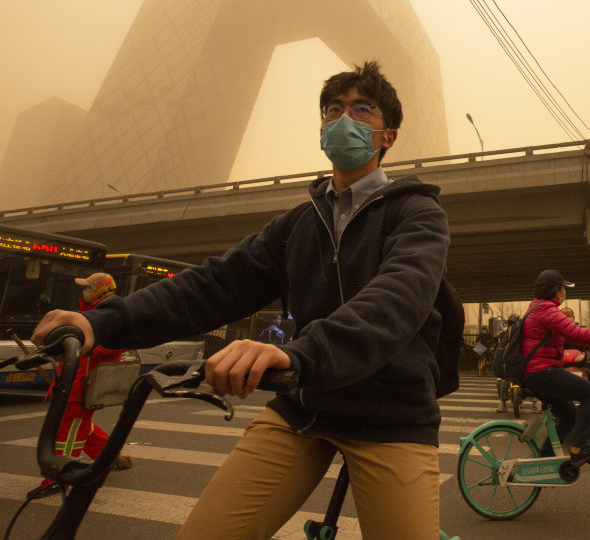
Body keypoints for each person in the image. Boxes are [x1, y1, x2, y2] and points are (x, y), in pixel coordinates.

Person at [32, 61, 451, 540]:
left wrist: (297, 354)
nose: (343, 120)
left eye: (362, 110)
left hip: (393, 416)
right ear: (320, 128)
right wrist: (100, 323)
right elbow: (213, 286)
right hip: (305, 407)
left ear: (387, 136)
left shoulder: (418, 212)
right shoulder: (297, 224)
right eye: (333, 110)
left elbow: (397, 298)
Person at [29, 273, 133, 499]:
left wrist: (78, 345)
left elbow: (115, 346)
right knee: (79, 427)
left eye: (88, 287)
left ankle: (56, 478)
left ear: (100, 289)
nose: (83, 291)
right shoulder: (89, 312)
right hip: (72, 382)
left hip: (85, 385)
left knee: (68, 433)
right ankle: (110, 455)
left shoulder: (111, 313)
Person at [520, 269, 590, 464]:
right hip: (542, 372)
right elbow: (577, 333)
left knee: (569, 416)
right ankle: (581, 447)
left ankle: (543, 461)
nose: (564, 292)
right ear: (555, 289)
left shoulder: (538, 308)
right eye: (562, 288)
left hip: (538, 372)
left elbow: (570, 335)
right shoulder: (546, 309)